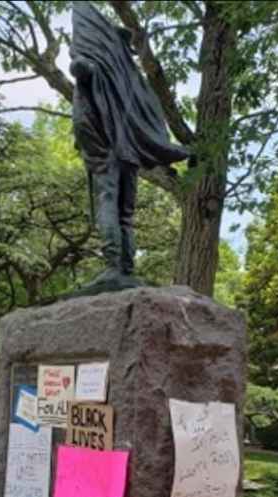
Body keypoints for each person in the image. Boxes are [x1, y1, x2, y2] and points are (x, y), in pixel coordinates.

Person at [71, 2, 189, 288]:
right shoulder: (130, 80)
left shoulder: (104, 68)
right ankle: (125, 267)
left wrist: (83, 57)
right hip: (128, 153)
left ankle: (115, 265)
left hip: (108, 151)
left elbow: (80, 68)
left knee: (109, 203)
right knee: (125, 213)